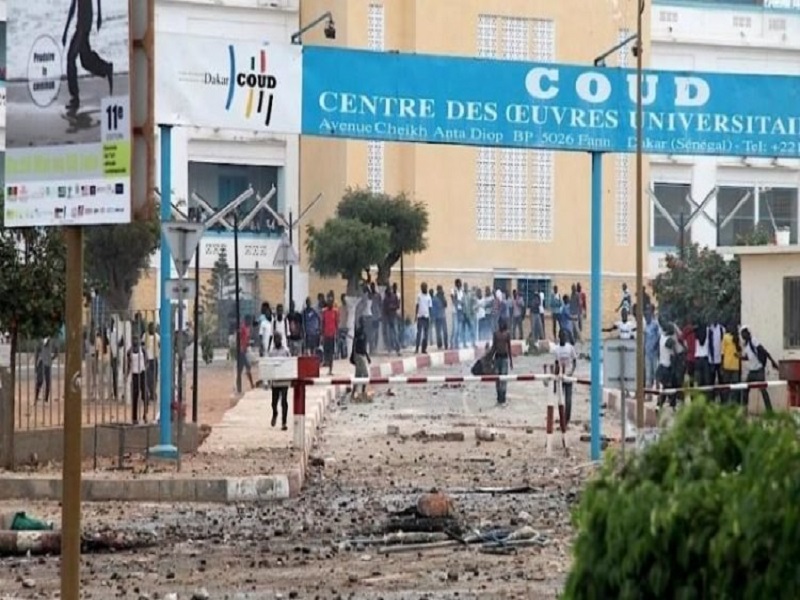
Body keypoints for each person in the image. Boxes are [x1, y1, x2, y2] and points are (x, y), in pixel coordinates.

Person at [62, 0, 114, 114]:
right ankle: (106, 68)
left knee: (71, 58)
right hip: (82, 24)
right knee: (85, 61)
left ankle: (75, 97)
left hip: (83, 25)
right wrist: (65, 30)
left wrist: (99, 15)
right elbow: (73, 6)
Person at [740, 326, 779, 412]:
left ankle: (769, 411)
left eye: (744, 333)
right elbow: (749, 357)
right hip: (752, 370)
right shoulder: (746, 345)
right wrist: (741, 358)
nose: (742, 335)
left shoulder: (753, 340)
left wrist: (772, 361)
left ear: (747, 333)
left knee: (763, 390)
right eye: (741, 334)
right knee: (745, 389)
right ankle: (744, 410)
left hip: (758, 370)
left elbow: (763, 351)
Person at [551, 328, 577, 426]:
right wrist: (555, 378)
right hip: (560, 377)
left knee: (568, 399)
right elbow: (556, 363)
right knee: (560, 400)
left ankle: (567, 418)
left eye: (564, 336)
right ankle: (562, 418)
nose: (563, 338)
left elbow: (574, 361)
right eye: (562, 336)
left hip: (568, 376)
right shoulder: (556, 349)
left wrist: (571, 372)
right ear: (559, 337)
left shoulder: (570, 348)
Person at [267, 332, 291, 431]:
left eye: (278, 339)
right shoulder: (271, 353)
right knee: (274, 402)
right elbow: (269, 367)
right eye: (275, 339)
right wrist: (269, 379)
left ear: (281, 339)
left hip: (284, 379)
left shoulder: (285, 351)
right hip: (276, 380)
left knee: (284, 401)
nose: (277, 341)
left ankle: (284, 422)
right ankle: (275, 413)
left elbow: (290, 363)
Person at [491, 318, 513, 405]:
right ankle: (499, 396)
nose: (501, 325)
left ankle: (503, 396)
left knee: (503, 378)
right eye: (500, 323)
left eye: (502, 323)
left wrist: (511, 361)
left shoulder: (507, 334)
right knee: (497, 378)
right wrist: (490, 359)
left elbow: (509, 347)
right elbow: (493, 347)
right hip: (497, 358)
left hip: (504, 358)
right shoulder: (495, 334)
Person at [127, 336, 148, 423]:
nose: (135, 341)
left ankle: (145, 414)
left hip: (142, 374)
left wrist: (145, 368)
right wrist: (127, 374)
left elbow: (147, 361)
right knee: (135, 397)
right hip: (134, 375)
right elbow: (128, 363)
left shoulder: (142, 350)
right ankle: (134, 417)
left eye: (136, 339)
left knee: (145, 396)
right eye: (134, 339)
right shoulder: (129, 351)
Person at [350, 317, 371, 401]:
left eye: (364, 322)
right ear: (360, 322)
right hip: (358, 355)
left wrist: (367, 356)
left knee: (358, 376)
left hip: (361, 355)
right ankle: (362, 392)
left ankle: (353, 393)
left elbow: (364, 346)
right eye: (362, 322)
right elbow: (354, 344)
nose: (363, 323)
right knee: (365, 375)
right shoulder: (359, 332)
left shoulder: (364, 332)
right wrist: (352, 355)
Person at [720, 326, 742, 405]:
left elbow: (740, 352)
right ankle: (725, 403)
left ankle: (733, 403)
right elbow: (722, 352)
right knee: (726, 386)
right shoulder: (726, 337)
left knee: (735, 387)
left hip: (735, 366)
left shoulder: (738, 338)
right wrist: (722, 365)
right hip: (727, 365)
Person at [34, 337, 56, 404]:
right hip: (41, 362)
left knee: (48, 382)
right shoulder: (41, 342)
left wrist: (52, 358)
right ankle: (36, 398)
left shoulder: (51, 341)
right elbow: (37, 353)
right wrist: (36, 364)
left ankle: (46, 399)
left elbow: (56, 350)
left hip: (48, 364)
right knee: (39, 381)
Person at [321, 297, 338, 376]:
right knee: (326, 352)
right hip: (325, 335)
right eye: (329, 302)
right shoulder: (324, 312)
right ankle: (326, 364)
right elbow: (322, 323)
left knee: (331, 353)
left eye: (331, 302)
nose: (330, 304)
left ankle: (330, 369)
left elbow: (336, 323)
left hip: (332, 335)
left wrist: (336, 333)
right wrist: (321, 334)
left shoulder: (335, 312)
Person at [237, 319, 255, 391]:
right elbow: (240, 336)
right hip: (241, 351)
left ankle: (249, 384)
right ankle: (250, 384)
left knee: (243, 369)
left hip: (244, 350)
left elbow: (246, 339)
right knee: (246, 367)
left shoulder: (247, 328)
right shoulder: (243, 327)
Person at [144, 322, 159, 406]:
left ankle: (153, 393)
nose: (153, 329)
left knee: (154, 377)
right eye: (151, 327)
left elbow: (160, 345)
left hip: (154, 359)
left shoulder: (157, 336)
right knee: (148, 377)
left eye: (153, 328)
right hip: (147, 360)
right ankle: (150, 393)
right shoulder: (145, 336)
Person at [415, 282, 432, 354]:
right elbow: (417, 306)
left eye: (425, 287)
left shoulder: (429, 296)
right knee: (419, 333)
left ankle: (423, 349)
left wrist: (430, 317)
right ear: (421, 288)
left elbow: (430, 308)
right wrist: (415, 315)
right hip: (420, 317)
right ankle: (417, 348)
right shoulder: (419, 296)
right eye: (423, 287)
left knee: (426, 334)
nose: (424, 288)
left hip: (426, 317)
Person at [337, 294, 350, 360]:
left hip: (344, 326)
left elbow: (347, 317)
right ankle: (341, 354)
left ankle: (344, 354)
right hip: (340, 326)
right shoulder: (340, 308)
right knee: (341, 341)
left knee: (344, 341)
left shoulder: (347, 307)